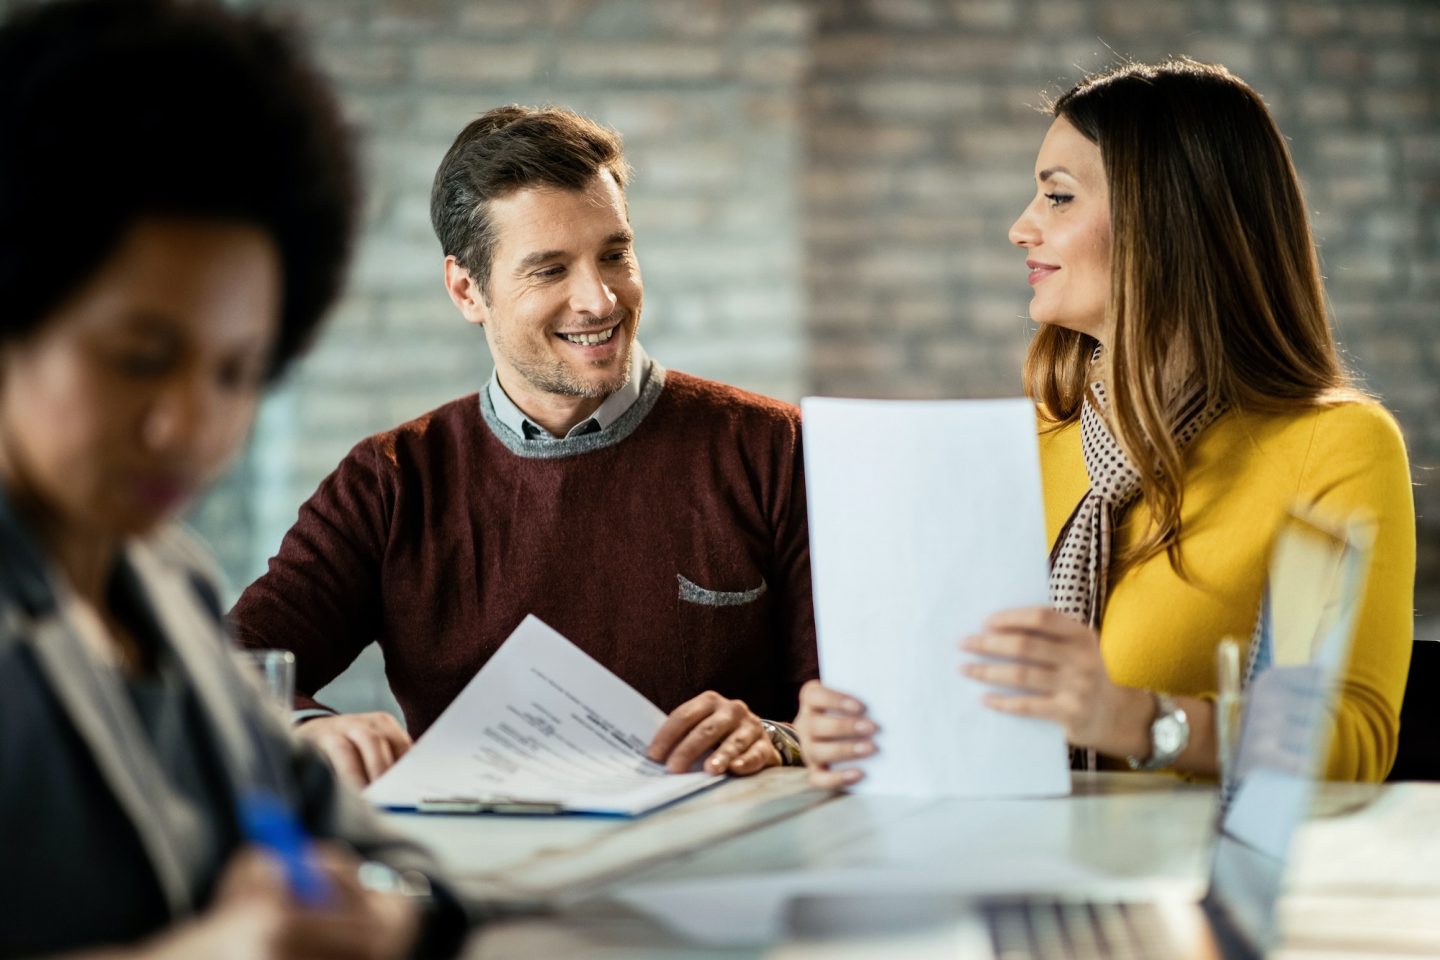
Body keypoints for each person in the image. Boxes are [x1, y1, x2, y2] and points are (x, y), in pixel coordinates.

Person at [796, 59, 1414, 787]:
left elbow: (1353, 739)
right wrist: (846, 729)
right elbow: (965, 701)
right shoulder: (1028, 443)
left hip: (1186, 882)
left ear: (1167, 219)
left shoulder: (1334, 445)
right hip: (1001, 854)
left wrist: (1134, 719)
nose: (1020, 228)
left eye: (1058, 198)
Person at [0, 1, 469, 956]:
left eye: (236, 371)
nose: (190, 427)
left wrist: (380, 912)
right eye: (137, 357)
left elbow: (384, 866)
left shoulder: (170, 586)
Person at [230, 105, 817, 787]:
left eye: (615, 255)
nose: (599, 300)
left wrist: (781, 738)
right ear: (466, 289)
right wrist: (310, 730)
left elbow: (859, 714)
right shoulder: (390, 483)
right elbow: (225, 668)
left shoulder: (776, 449)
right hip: (486, 879)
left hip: (719, 875)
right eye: (549, 270)